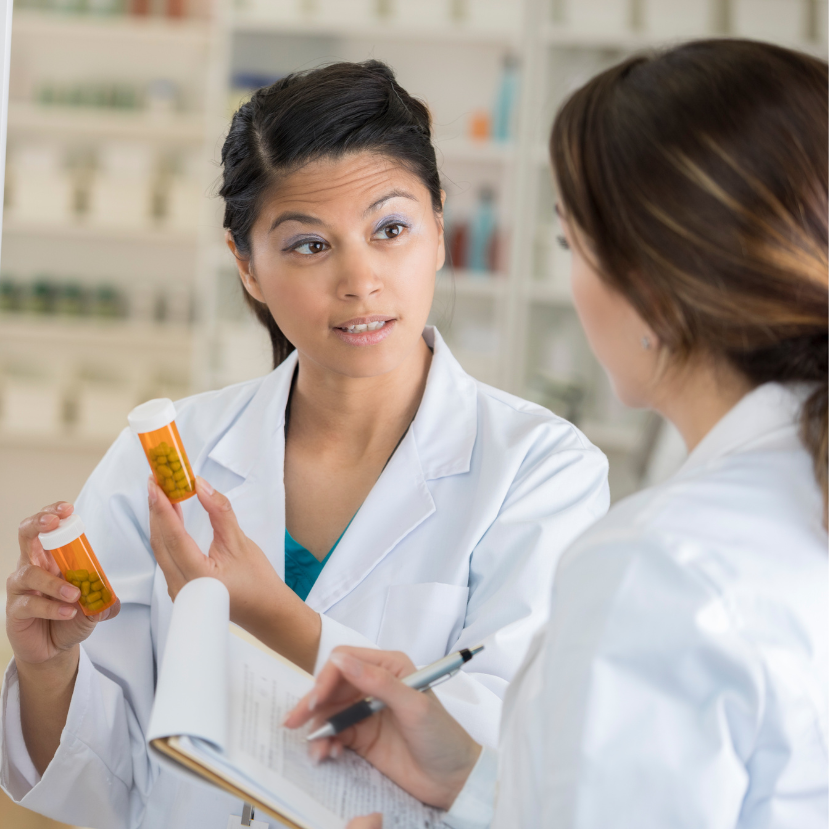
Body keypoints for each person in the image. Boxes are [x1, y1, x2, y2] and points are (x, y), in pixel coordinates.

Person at [0, 62, 610, 828]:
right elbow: (103, 785)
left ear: (439, 228)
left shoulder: (540, 471)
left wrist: (277, 616)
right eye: (308, 247)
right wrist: (47, 667)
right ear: (245, 265)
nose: (360, 279)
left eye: (391, 229)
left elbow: (504, 770)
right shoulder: (163, 455)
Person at [287, 40, 829, 829]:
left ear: (649, 283)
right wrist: (468, 778)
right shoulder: (786, 502)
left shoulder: (658, 565)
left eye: (571, 245)